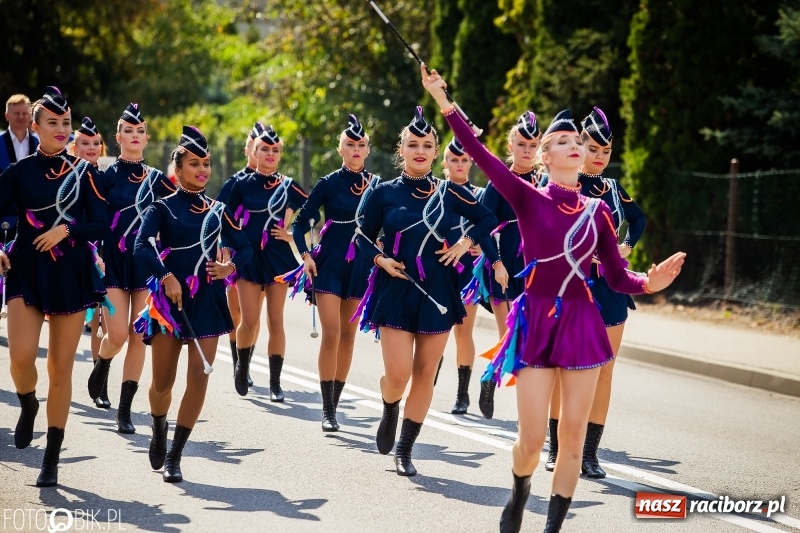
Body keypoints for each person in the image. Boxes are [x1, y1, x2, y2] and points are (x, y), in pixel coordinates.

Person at [423, 66, 685, 532]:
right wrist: (443, 99)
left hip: (583, 323)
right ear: (544, 155)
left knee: (571, 436)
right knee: (528, 440)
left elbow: (618, 275)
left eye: (578, 143)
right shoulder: (527, 198)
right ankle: (520, 493)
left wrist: (650, 282)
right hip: (537, 320)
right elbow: (480, 153)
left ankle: (552, 527)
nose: (574, 146)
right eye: (562, 141)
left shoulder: (598, 211)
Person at [356, 107, 495, 476]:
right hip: (395, 289)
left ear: (436, 153)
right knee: (398, 374)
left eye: (427, 145)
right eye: (413, 144)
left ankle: (405, 450)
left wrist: (465, 244)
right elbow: (363, 237)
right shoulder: (382, 193)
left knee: (424, 373)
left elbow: (487, 218)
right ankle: (389, 407)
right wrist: (380, 260)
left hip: (438, 290)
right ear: (400, 150)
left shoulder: (449, 192)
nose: (420, 150)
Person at [0, 86, 107, 487]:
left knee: (60, 368)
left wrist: (69, 229)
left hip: (70, 274)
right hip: (27, 268)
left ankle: (51, 458)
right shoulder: (18, 173)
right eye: (53, 123)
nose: (61, 129)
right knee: (21, 359)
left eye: (66, 123)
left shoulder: (86, 173)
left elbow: (104, 222)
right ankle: (27, 403)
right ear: (35, 125)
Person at [133, 126, 252, 483]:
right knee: (162, 384)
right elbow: (141, 247)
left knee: (199, 378)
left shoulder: (218, 211)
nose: (202, 170)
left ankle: (175, 455)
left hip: (208, 303)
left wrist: (231, 266)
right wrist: (166, 276)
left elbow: (246, 246)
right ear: (178, 168)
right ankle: (158, 426)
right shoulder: (162, 208)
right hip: (170, 305)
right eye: (194, 164)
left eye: (206, 164)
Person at [545, 107, 647, 477]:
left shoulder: (614, 189)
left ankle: (589, 454)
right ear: (578, 147)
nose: (600, 156)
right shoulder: (563, 185)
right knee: (564, 368)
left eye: (606, 150)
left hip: (610, 290)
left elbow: (639, 219)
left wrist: (627, 246)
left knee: (604, 370)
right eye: (593, 148)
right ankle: (556, 448)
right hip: (572, 287)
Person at [287, 114, 378, 431]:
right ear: (341, 149)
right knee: (333, 334)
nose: (356, 149)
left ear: (368, 149)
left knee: (350, 336)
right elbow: (300, 224)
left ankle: (335, 405)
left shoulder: (378, 186)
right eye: (350, 144)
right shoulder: (328, 183)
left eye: (361, 145)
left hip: (361, 266)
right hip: (329, 264)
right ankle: (327, 409)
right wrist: (305, 255)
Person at [87, 104, 175, 434]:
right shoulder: (107, 177)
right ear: (118, 136)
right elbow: (92, 218)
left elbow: (177, 212)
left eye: (140, 131)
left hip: (144, 265)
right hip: (112, 262)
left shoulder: (157, 179)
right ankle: (104, 362)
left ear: (147, 138)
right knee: (119, 335)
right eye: (129, 131)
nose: (135, 136)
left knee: (139, 335)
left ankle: (124, 410)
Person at [224, 124, 311, 399]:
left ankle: (275, 384)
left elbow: (311, 214)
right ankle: (242, 366)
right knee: (249, 321)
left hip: (278, 259)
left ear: (280, 153)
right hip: (248, 258)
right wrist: (229, 246)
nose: (270, 153)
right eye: (265, 149)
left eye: (275, 150)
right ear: (254, 151)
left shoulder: (288, 185)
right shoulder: (240, 183)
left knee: (276, 321)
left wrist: (291, 232)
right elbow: (222, 215)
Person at [474, 111, 544, 420]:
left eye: (532, 145)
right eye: (521, 144)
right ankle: (493, 380)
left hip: (536, 272)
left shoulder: (546, 183)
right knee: (511, 338)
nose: (527, 151)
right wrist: (497, 263)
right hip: (502, 269)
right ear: (510, 146)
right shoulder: (499, 180)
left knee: (531, 341)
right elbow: (481, 227)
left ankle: (523, 406)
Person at [216, 122, 262, 387]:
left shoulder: (273, 183)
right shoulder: (236, 182)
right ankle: (237, 363)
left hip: (262, 255)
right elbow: (219, 213)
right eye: (254, 145)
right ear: (248, 149)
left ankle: (245, 365)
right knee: (236, 312)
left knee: (253, 316)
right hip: (235, 250)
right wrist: (223, 245)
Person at [440, 137, 484, 414]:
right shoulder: (435, 191)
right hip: (438, 269)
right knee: (434, 330)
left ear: (471, 162)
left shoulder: (480, 195)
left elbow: (493, 226)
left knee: (462, 333)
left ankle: (462, 394)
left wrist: (484, 242)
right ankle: (427, 379)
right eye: (453, 159)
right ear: (445, 163)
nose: (459, 164)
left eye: (464, 159)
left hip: (468, 272)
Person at [70, 116, 112, 407]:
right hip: (73, 252)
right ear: (74, 147)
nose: (92, 147)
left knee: (102, 320)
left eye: (96, 143)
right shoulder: (66, 175)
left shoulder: (107, 177)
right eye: (85, 143)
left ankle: (101, 381)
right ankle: (62, 376)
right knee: (71, 321)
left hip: (104, 253)